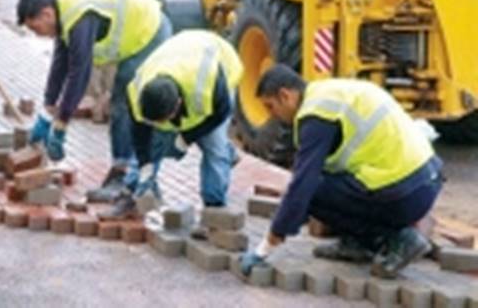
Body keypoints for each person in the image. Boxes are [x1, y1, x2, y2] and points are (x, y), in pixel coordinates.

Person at [240, 65, 442, 279]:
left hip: (405, 193)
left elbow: (302, 186)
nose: (272, 116)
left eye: (270, 107)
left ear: (285, 95)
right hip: (426, 180)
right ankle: (359, 243)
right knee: (322, 180)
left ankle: (400, 239)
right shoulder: (327, 93)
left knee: (311, 191)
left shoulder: (316, 115)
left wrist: (266, 246)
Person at [16, 0, 172, 202]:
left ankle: (123, 175)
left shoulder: (79, 18)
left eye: (35, 28)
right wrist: (47, 109)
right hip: (140, 32)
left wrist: (61, 124)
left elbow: (79, 71)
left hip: (150, 31)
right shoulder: (64, 17)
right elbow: (60, 63)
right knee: (122, 99)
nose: (37, 34)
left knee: (124, 101)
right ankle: (128, 172)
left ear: (46, 13)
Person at [99, 30, 243, 223]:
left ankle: (214, 210)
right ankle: (132, 195)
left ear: (177, 105)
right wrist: (145, 167)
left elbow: (220, 113)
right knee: (156, 139)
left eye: (162, 119)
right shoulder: (137, 91)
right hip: (178, 54)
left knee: (214, 147)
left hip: (220, 64)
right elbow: (141, 136)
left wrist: (185, 138)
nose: (158, 124)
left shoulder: (206, 84)